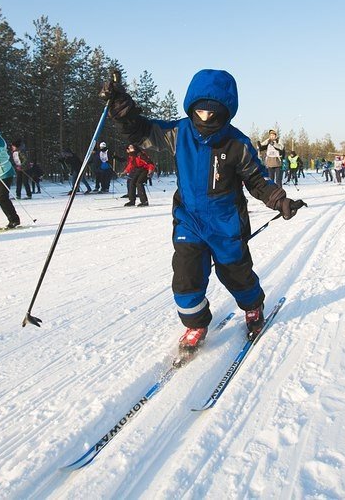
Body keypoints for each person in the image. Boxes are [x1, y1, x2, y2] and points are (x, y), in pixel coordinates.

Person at [101, 69, 307, 350]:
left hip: (226, 223)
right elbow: (143, 131)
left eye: (213, 113)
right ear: (191, 107)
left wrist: (279, 199)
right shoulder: (179, 132)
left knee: (237, 272)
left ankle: (252, 306)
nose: (205, 119)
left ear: (226, 111)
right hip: (189, 220)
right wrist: (124, 111)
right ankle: (196, 323)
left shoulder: (237, 143)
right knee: (186, 275)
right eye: (200, 112)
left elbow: (257, 179)